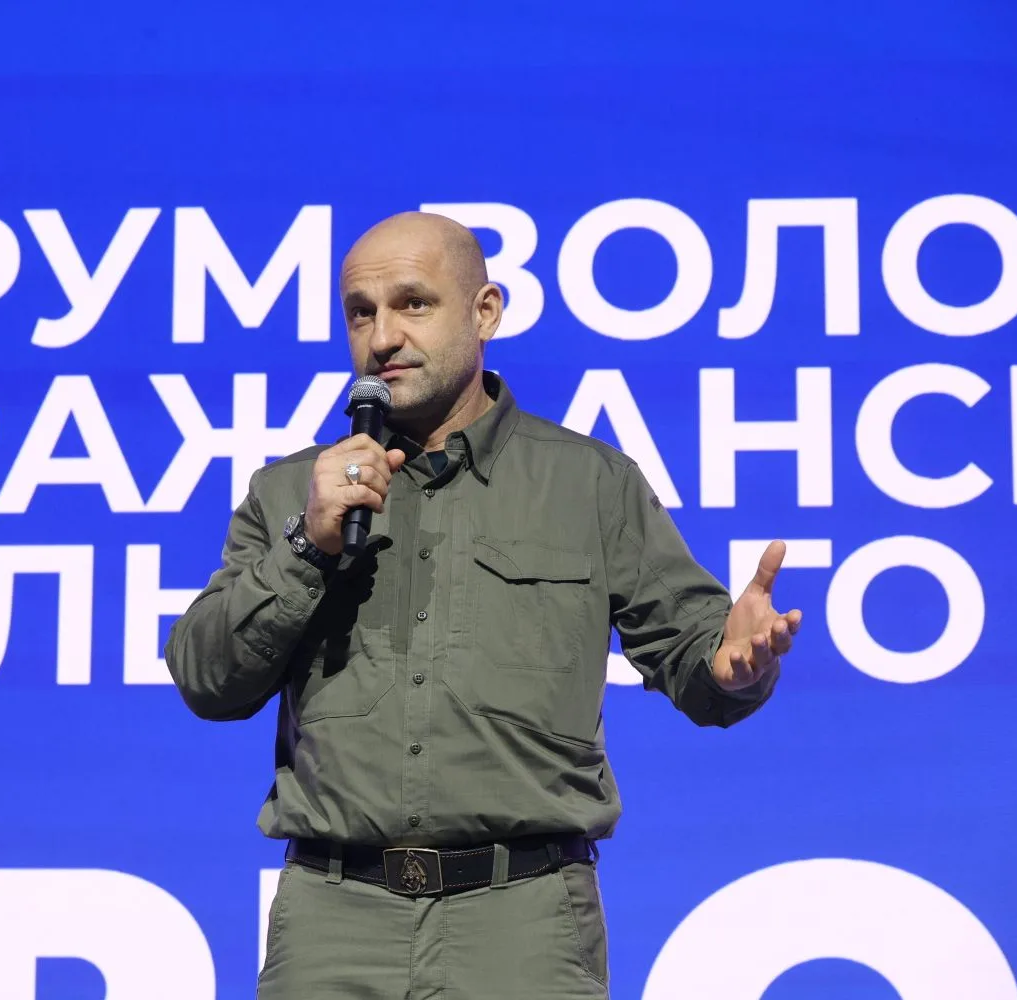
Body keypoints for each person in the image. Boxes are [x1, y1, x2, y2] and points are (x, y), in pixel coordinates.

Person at [164, 211, 803, 999]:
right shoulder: (293, 491)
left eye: (413, 303)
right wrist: (309, 544)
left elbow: (697, 659)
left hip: (524, 920)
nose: (383, 337)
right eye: (361, 313)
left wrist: (735, 667)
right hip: (334, 922)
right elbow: (207, 679)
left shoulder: (589, 484)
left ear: (486, 312)